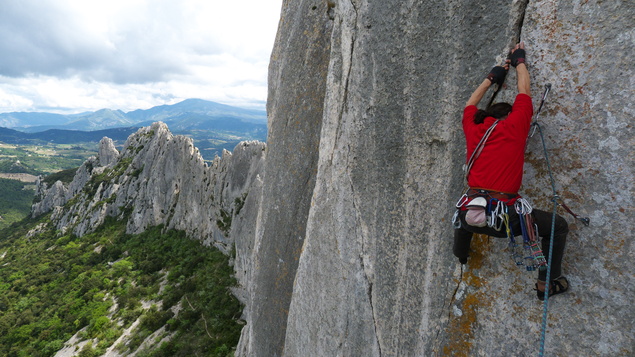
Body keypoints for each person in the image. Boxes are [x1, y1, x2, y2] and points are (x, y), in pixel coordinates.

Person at [452, 42, 569, 301]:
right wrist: (520, 61)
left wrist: (493, 77)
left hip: (473, 210)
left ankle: (460, 252)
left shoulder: (473, 128)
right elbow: (524, 90)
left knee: (465, 212)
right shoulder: (515, 126)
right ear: (510, 116)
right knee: (557, 227)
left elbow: (470, 104)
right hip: (505, 219)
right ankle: (546, 283)